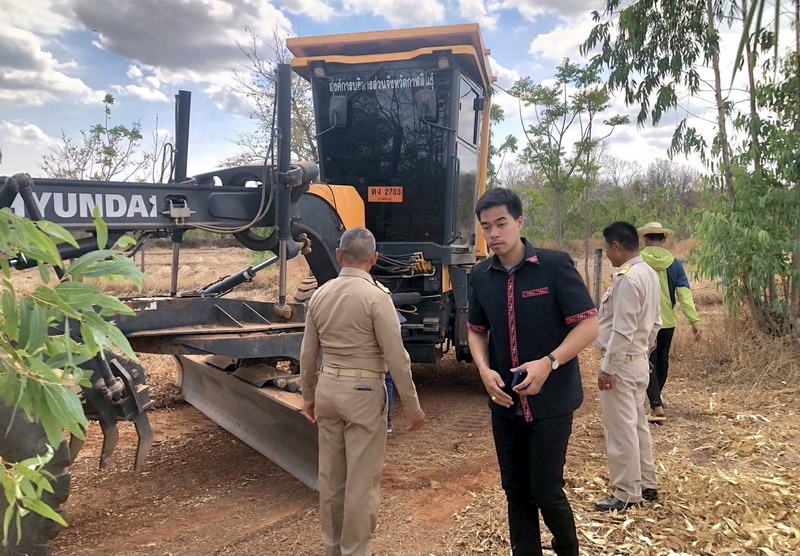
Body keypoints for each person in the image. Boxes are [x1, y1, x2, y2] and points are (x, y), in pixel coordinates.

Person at [467, 188, 599, 556]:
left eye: (501, 223)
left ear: (520, 222)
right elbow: (476, 330)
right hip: (505, 401)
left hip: (551, 401)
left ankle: (567, 549)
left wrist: (549, 362)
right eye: (486, 227)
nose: (494, 233)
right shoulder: (481, 275)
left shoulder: (554, 266)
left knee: (546, 489)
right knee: (516, 490)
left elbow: (589, 325)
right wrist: (484, 370)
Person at [299, 227, 426, 556]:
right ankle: (355, 551)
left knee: (331, 479)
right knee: (361, 482)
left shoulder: (320, 295)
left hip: (328, 389)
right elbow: (396, 357)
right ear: (374, 259)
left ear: (339, 256)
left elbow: (308, 355)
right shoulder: (377, 298)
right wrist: (412, 404)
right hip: (364, 392)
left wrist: (308, 396)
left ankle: (332, 548)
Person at [594, 221, 662, 511]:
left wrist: (608, 368)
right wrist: (644, 354)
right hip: (637, 361)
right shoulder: (649, 274)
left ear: (617, 246)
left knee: (621, 430)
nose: (608, 254)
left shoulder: (627, 278)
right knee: (637, 425)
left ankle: (626, 493)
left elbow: (622, 330)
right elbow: (656, 323)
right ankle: (646, 484)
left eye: (608, 248)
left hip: (622, 365)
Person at [638, 222, 702, 420]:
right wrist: (695, 321)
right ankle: (656, 398)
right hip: (667, 322)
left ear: (645, 239)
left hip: (644, 323)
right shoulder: (675, 265)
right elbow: (684, 294)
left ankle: (656, 403)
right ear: (664, 239)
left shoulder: (638, 262)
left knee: (647, 360)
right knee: (662, 361)